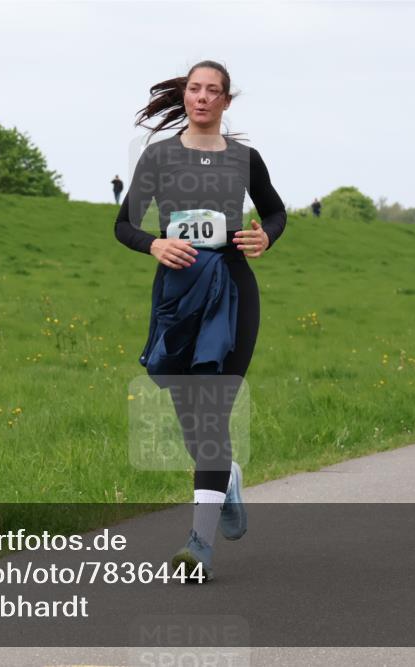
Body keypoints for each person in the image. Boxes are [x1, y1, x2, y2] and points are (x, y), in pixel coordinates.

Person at [114, 60, 286, 581]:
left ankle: (198, 545)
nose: (203, 97)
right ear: (185, 96)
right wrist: (155, 243)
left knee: (211, 410)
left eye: (214, 91)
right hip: (177, 292)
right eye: (195, 89)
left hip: (232, 289)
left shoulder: (245, 158)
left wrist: (265, 237)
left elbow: (275, 212)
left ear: (227, 102)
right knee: (190, 412)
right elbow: (123, 225)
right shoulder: (159, 156)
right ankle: (227, 477)